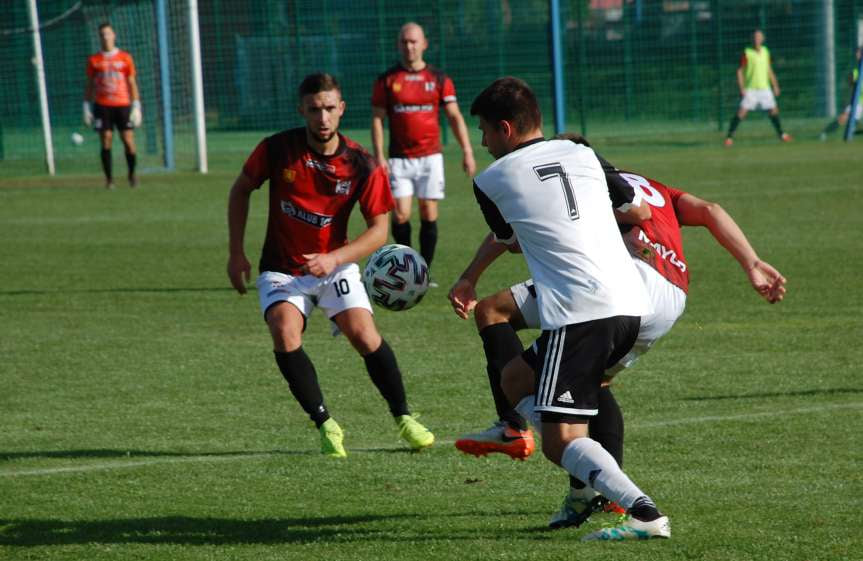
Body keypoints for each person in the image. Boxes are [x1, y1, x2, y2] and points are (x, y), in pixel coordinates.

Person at [450, 133, 787, 532]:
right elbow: (710, 209)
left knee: (495, 314)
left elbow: (517, 235)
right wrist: (751, 262)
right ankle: (590, 492)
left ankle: (518, 426)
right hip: (670, 298)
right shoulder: (653, 187)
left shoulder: (584, 179)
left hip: (618, 283)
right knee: (593, 379)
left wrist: (470, 274)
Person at [466, 76, 669, 541]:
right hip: (631, 299)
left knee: (561, 443)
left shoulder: (489, 180)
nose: (482, 142)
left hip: (580, 310)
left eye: (484, 131)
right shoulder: (582, 153)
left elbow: (511, 242)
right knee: (517, 379)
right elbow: (636, 209)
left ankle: (643, 511)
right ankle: (586, 485)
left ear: (505, 128)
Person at [227, 73, 434, 459]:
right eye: (314, 109)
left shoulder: (361, 164)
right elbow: (240, 189)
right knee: (284, 331)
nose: (322, 118)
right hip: (283, 269)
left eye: (329, 109)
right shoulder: (277, 149)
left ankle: (405, 417)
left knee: (364, 335)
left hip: (334, 266)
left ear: (341, 109)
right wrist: (236, 251)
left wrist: (334, 259)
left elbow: (379, 231)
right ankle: (326, 423)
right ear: (301, 110)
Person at [371, 22, 476, 284]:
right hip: (399, 158)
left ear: (424, 44)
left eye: (414, 41)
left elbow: (454, 116)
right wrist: (379, 156)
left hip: (430, 157)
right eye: (404, 42)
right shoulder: (387, 80)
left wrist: (467, 150)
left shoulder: (438, 79)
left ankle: (423, 273)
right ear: (398, 45)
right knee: (401, 214)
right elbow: (377, 119)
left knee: (428, 212)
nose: (409, 46)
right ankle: (407, 267)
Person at [83, 22, 141, 189]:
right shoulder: (94, 60)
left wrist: (136, 105)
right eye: (102, 34)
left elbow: (131, 82)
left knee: (128, 140)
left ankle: (132, 175)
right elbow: (90, 84)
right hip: (102, 105)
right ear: (99, 37)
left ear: (114, 35)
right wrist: (86, 106)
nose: (105, 37)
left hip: (122, 104)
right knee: (106, 140)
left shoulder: (125, 57)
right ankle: (109, 180)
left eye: (108, 33)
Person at [724, 29, 792, 147]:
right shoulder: (747, 53)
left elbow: (769, 70)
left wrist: (775, 85)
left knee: (773, 111)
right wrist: (741, 87)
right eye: (754, 37)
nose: (757, 40)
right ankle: (729, 137)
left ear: (762, 39)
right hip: (751, 89)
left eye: (759, 37)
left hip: (765, 89)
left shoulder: (766, 52)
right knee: (741, 113)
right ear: (751, 39)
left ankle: (782, 134)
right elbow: (739, 71)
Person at [820, 47, 863, 140]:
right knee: (844, 119)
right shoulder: (856, 71)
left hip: (859, 104)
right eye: (857, 53)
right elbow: (850, 83)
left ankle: (824, 133)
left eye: (859, 53)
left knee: (847, 123)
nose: (857, 55)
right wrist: (851, 81)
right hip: (858, 103)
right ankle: (824, 134)